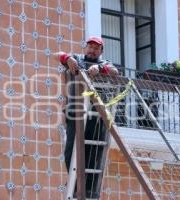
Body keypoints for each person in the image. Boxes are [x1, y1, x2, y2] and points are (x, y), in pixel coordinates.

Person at [53, 36, 118, 198]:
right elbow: (56, 54)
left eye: (96, 48)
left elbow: (115, 72)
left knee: (94, 153)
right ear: (85, 48)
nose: (92, 50)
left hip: (97, 115)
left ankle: (89, 191)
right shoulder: (77, 59)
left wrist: (100, 69)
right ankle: (75, 185)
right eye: (90, 46)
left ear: (101, 51)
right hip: (76, 111)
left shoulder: (104, 63)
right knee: (71, 151)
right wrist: (67, 59)